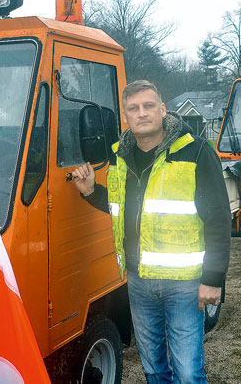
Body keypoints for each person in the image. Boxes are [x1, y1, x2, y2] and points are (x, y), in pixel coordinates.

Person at [71, 80, 231, 384]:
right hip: (140, 281)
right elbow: (124, 208)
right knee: (154, 368)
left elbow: (219, 220)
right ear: (126, 116)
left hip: (185, 284)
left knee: (187, 372)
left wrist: (213, 279)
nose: (142, 113)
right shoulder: (120, 157)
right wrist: (92, 192)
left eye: (148, 106)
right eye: (133, 108)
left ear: (162, 109)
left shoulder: (195, 152)